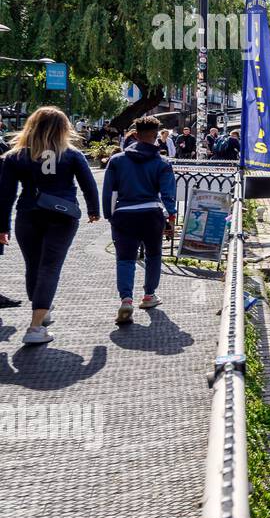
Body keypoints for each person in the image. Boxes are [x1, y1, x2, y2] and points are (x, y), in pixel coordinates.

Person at [0, 107, 101, 345]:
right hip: (62, 215)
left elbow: (5, 195)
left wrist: (2, 226)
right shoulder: (72, 154)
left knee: (33, 267)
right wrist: (94, 211)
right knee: (50, 267)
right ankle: (36, 326)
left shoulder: (16, 156)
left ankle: (41, 312)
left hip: (28, 214)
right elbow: (88, 185)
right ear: (63, 129)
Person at [102, 116, 177, 325]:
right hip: (151, 214)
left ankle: (126, 299)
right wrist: (170, 217)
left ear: (135, 135)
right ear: (156, 137)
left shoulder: (117, 160)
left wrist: (110, 216)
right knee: (153, 256)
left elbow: (109, 192)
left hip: (124, 214)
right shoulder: (162, 162)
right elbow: (167, 194)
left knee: (125, 259)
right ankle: (149, 296)